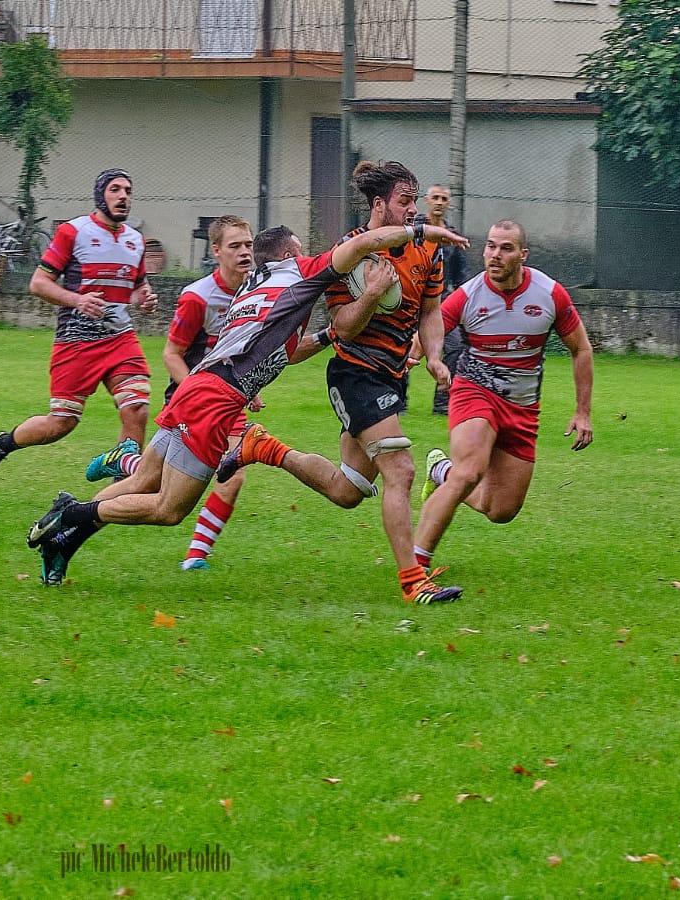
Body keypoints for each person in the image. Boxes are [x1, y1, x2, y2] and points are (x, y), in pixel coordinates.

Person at [22, 221, 452, 594]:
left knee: (145, 480)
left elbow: (285, 350)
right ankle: (71, 513)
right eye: (301, 247)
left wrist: (327, 337)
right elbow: (361, 245)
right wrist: (420, 231)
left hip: (198, 388)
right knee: (169, 509)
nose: (308, 253)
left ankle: (64, 540)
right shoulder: (300, 272)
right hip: (214, 400)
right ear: (290, 253)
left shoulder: (255, 286)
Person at [219, 165, 469, 603]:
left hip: (391, 374)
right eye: (405, 201)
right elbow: (344, 327)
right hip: (356, 374)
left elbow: (431, 311)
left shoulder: (428, 250)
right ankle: (414, 583)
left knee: (347, 490)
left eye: (415, 200)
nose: (413, 209)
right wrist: (371, 294)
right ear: (379, 204)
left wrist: (433, 355)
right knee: (401, 470)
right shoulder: (350, 252)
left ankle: (262, 447)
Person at [414, 220, 594, 582]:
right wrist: (421, 357)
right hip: (474, 392)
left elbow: (581, 349)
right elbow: (430, 330)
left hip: (523, 407)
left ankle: (441, 471)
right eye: (490, 246)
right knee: (470, 472)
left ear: (523, 255)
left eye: (506, 248)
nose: (495, 255)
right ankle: (415, 568)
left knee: (500, 510)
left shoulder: (549, 294)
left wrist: (582, 412)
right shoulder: (469, 295)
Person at [84, 214, 257, 570]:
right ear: (216, 251)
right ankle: (80, 514)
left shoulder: (255, 292)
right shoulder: (198, 296)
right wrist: (200, 390)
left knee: (232, 473)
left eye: (248, 245)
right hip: (191, 401)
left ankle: (196, 556)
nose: (245, 252)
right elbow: (171, 354)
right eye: (235, 246)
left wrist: (247, 386)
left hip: (226, 401)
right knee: (149, 484)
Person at [0, 169, 158, 484]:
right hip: (76, 341)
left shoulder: (135, 240)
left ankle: (122, 489)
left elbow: (139, 285)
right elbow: (38, 283)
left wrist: (145, 298)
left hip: (119, 338)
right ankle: (2, 445)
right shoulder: (74, 231)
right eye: (115, 189)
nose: (123, 196)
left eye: (128, 190)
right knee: (61, 423)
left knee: (137, 408)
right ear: (100, 195)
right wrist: (77, 300)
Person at [421, 183, 468, 415]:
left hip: (441, 305)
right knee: (401, 351)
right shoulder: (413, 229)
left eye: (444, 199)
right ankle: (396, 403)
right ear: (427, 201)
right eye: (435, 198)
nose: (439, 202)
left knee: (455, 347)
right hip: (411, 300)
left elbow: (461, 279)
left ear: (448, 203)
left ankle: (442, 403)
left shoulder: (453, 238)